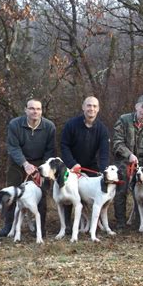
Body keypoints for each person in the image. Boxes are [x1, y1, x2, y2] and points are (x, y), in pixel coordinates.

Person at [0, 99, 56, 237]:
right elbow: (13, 147)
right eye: (31, 108)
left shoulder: (49, 126)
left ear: (41, 111)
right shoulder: (15, 124)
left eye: (38, 109)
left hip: (40, 163)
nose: (35, 111)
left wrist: (43, 167)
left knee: (41, 194)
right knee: (11, 193)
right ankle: (8, 226)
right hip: (18, 162)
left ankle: (40, 227)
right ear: (25, 110)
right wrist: (25, 163)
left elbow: (50, 150)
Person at [60, 96, 110, 233]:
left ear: (98, 109)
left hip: (91, 166)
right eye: (88, 105)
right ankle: (67, 224)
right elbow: (64, 146)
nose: (91, 109)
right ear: (83, 107)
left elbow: (104, 152)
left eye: (94, 106)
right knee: (70, 193)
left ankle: (94, 222)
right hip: (72, 165)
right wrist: (72, 164)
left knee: (97, 192)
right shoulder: (71, 125)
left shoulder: (102, 129)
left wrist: (103, 170)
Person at [112, 95, 143, 230]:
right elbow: (117, 143)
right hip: (124, 160)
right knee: (121, 187)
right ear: (136, 107)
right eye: (142, 107)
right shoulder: (124, 120)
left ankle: (140, 221)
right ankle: (120, 221)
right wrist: (129, 155)